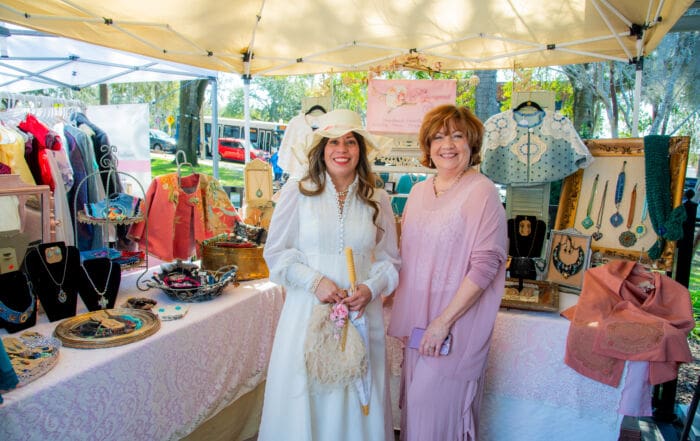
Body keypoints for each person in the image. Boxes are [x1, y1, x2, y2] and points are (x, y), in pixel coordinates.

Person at [259, 109, 400, 441]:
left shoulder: (377, 198)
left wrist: (371, 287)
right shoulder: (298, 191)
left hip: (360, 315)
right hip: (307, 313)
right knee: (309, 396)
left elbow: (391, 261)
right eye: (333, 142)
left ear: (360, 149)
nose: (342, 149)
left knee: (356, 401)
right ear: (321, 149)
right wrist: (315, 282)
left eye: (350, 141)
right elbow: (275, 254)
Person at [387, 104, 507, 441]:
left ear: (472, 144)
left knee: (435, 416)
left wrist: (443, 323)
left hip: (455, 324)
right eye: (438, 137)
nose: (448, 145)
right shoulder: (417, 192)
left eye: (457, 136)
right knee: (416, 414)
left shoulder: (482, 191)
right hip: (418, 324)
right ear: (428, 146)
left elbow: (486, 265)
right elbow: (409, 256)